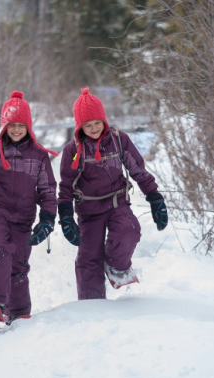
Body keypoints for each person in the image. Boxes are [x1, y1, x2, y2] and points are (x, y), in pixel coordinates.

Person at [57, 87, 168, 300]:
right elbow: (66, 186)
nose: (94, 128)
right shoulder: (73, 150)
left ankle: (116, 267)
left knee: (130, 230)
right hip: (88, 210)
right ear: (79, 126)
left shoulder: (118, 140)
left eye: (98, 123)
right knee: (89, 256)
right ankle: (92, 303)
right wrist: (66, 216)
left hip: (117, 202)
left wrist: (155, 198)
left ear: (104, 120)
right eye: (87, 125)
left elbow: (138, 170)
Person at [0, 91, 58, 324]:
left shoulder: (39, 155)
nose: (16, 130)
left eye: (21, 125)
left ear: (28, 126)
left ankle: (19, 311)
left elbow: (47, 189)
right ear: (4, 126)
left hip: (25, 216)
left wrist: (47, 218)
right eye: (11, 125)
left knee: (19, 262)